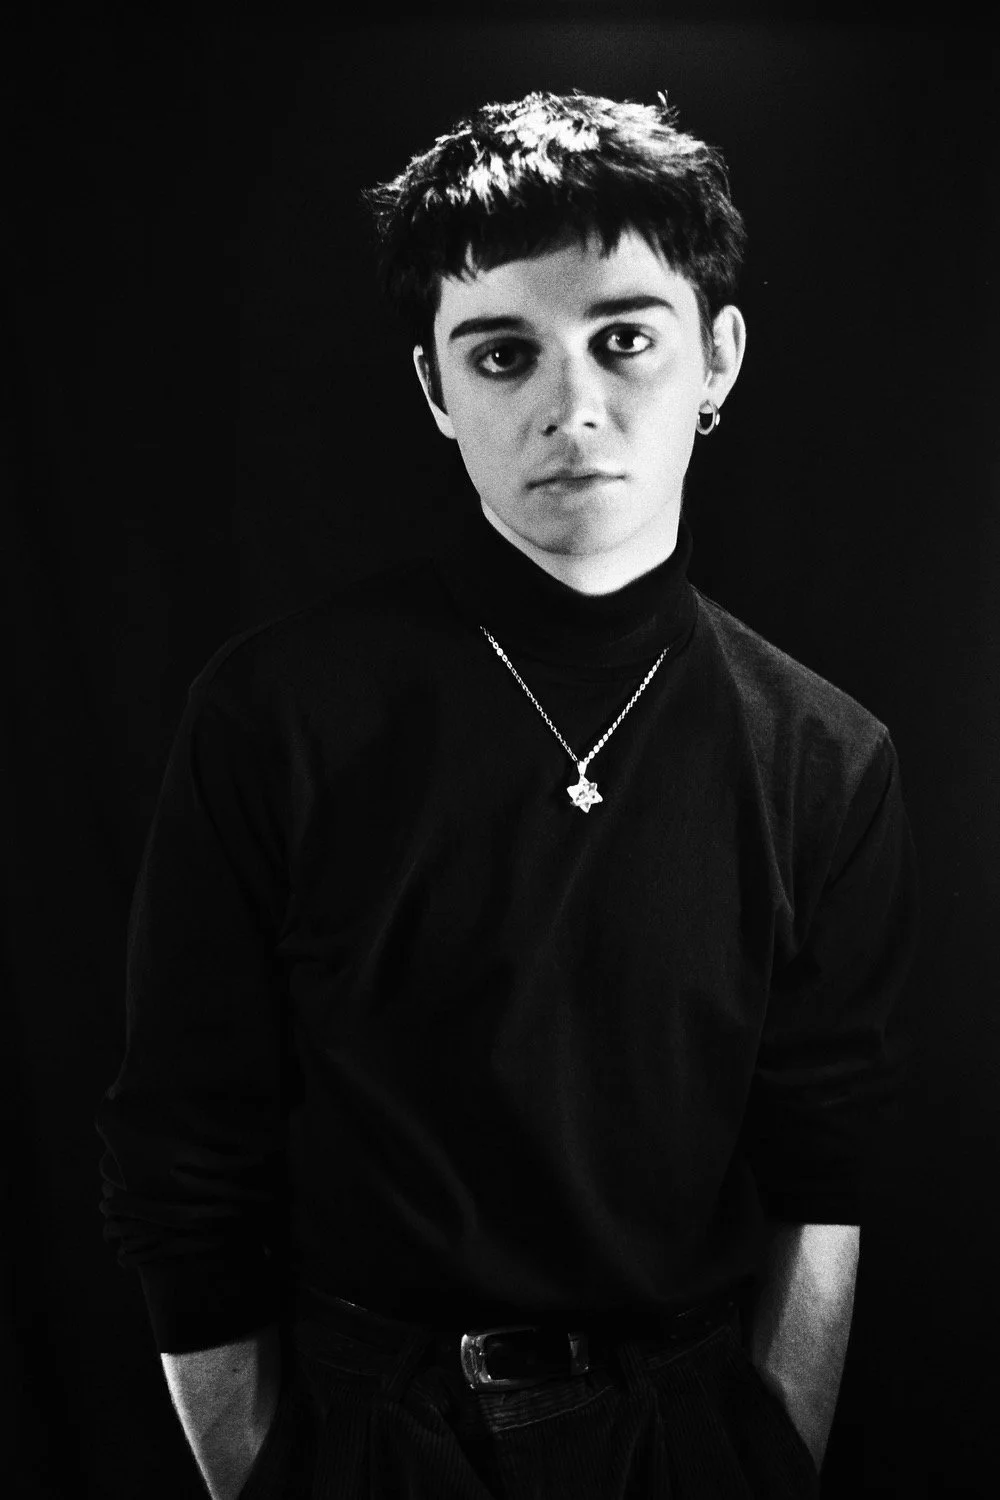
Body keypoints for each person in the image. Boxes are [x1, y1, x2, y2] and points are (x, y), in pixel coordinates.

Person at [95, 89, 919, 1499]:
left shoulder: (827, 756)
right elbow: (184, 1144)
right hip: (368, 1434)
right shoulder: (276, 714)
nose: (571, 407)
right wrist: (267, 1476)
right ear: (436, 390)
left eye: (623, 341)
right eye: (502, 354)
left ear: (714, 359)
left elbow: (822, 1174)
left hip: (686, 1433)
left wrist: (769, 1454)